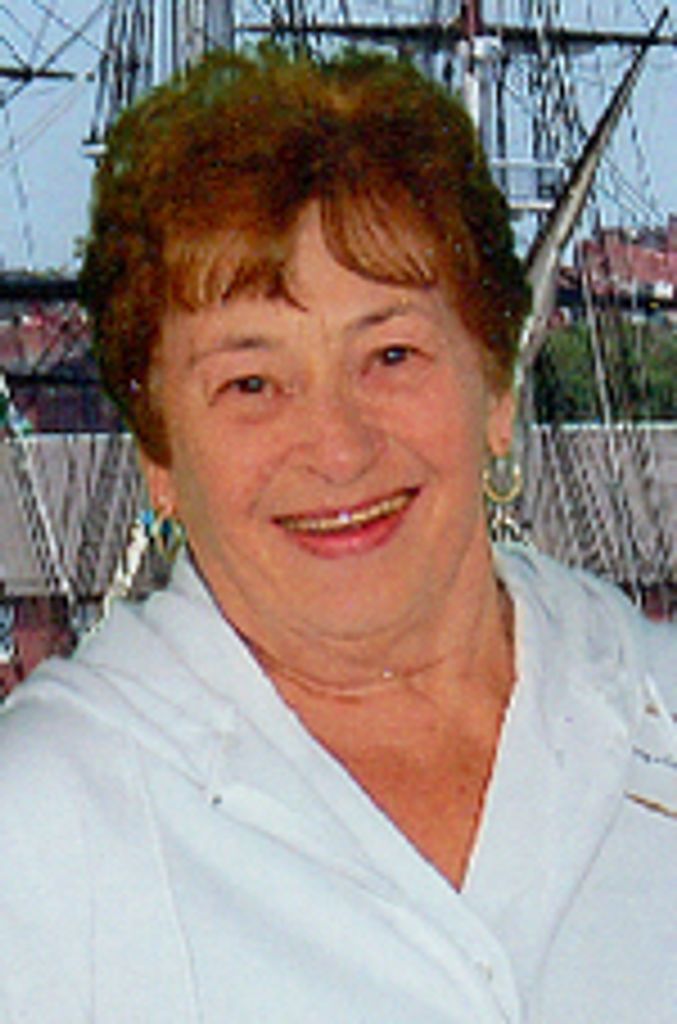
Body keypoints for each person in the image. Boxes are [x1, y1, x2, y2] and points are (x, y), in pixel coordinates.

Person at [0, 46, 674, 1024]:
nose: (338, 447)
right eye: (250, 383)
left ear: (495, 387)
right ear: (158, 454)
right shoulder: (37, 834)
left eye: (390, 354)